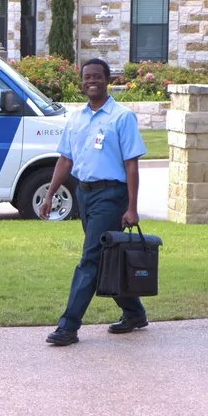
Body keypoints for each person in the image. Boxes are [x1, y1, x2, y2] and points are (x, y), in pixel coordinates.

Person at [39, 58, 148, 347]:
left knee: (90, 259)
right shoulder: (76, 118)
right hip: (84, 195)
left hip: (111, 196)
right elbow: (65, 159)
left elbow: (131, 164)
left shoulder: (122, 117)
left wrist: (132, 207)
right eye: (87, 77)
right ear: (81, 81)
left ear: (107, 80)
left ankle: (68, 326)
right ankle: (134, 313)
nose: (92, 81)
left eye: (97, 76)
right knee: (104, 257)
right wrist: (50, 195)